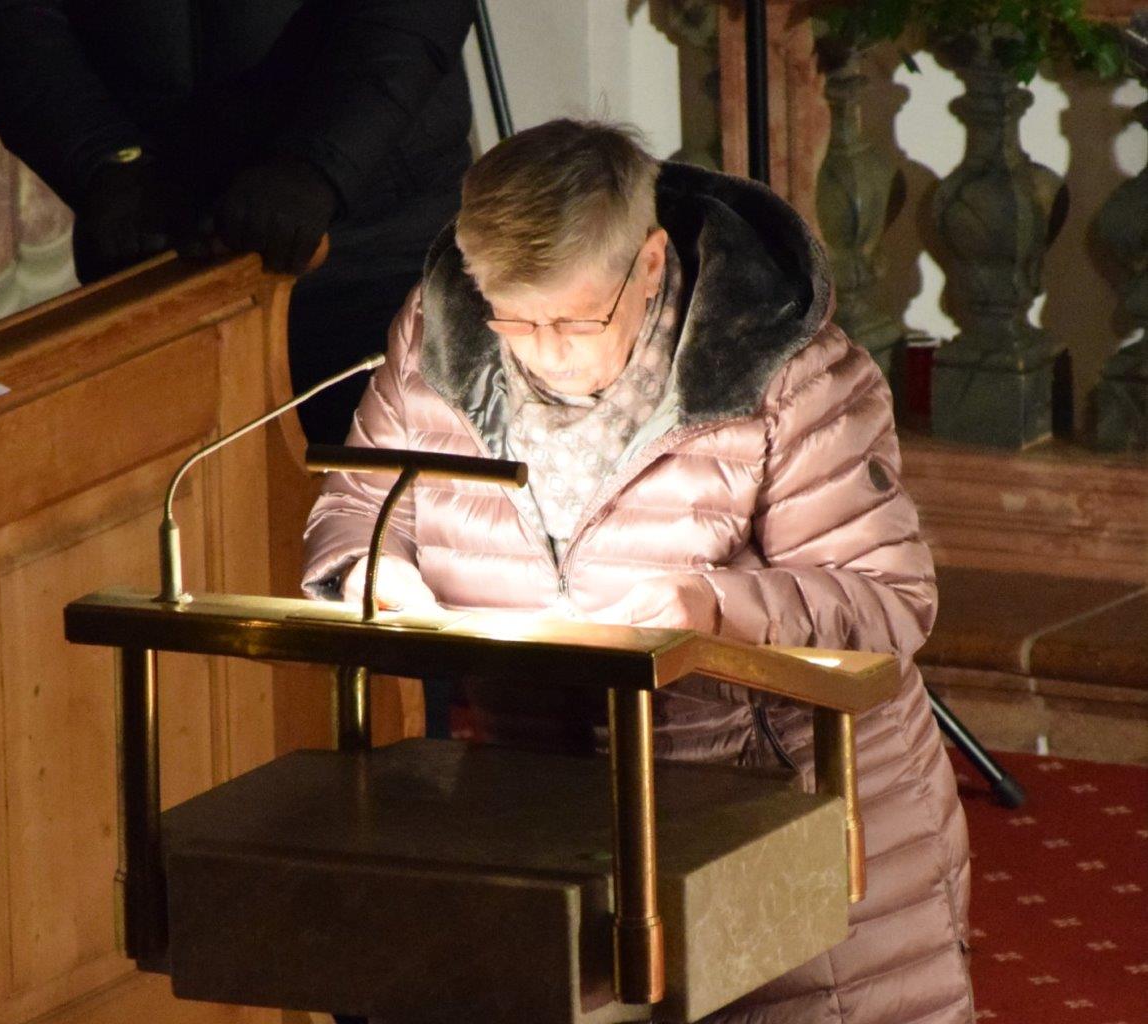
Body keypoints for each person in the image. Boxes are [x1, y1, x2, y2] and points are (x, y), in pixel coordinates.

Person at [302, 119, 972, 1024]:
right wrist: (370, 571)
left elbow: (889, 603)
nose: (545, 350)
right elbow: (357, 500)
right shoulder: (438, 341)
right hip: (556, 804)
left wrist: (707, 607)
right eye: (514, 318)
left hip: (780, 805)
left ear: (650, 264)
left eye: (576, 320)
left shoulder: (787, 375)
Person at [0, 0, 474, 443]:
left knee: (425, 504)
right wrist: (103, 160)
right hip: (159, 259)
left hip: (380, 248)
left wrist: (321, 164)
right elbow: (3, 16)